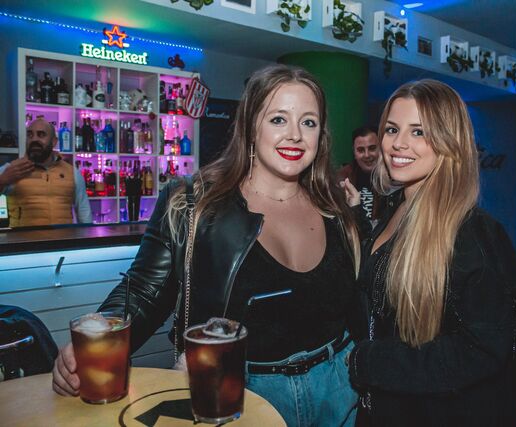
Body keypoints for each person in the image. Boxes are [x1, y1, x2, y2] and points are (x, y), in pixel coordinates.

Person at [52, 65, 361, 427]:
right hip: (237, 393)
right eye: (278, 119)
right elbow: (145, 291)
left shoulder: (335, 207)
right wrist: (97, 334)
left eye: (308, 122)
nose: (294, 135)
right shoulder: (191, 202)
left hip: (339, 388)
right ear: (250, 125)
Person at [347, 80, 516, 426]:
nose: (398, 143)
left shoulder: (472, 233)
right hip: (382, 407)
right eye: (392, 129)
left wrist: (369, 361)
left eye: (419, 132)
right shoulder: (397, 206)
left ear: (450, 142)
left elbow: (485, 350)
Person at [0, 118, 91, 227]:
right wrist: (2, 180)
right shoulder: (13, 169)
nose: (34, 139)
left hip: (64, 237)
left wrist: (87, 235)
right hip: (22, 238)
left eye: (41, 135)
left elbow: (84, 212)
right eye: (30, 135)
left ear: (54, 142)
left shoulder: (72, 173)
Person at [337, 126, 381, 224]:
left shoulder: (393, 180)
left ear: (381, 149)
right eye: (361, 150)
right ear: (354, 152)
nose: (367, 155)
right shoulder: (342, 177)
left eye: (372, 148)